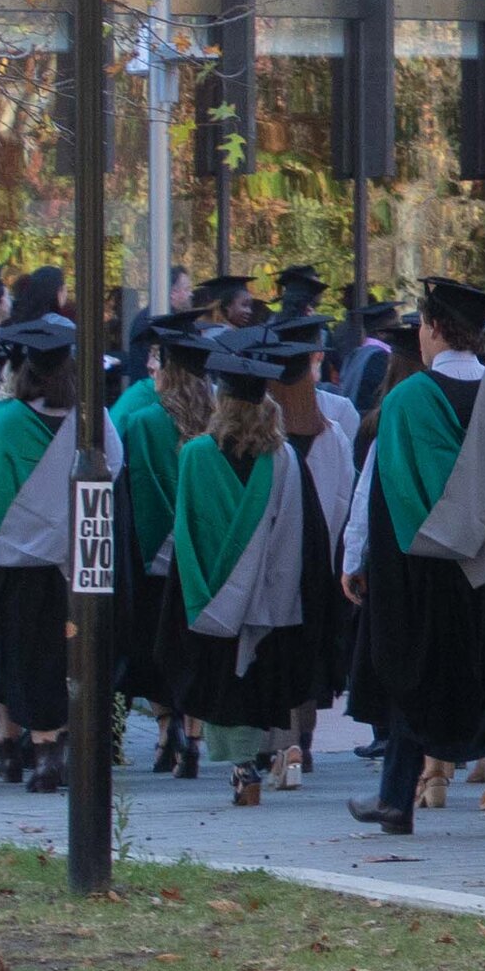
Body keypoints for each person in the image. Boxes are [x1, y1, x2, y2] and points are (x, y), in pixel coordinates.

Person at [340, 279, 485, 836]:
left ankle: (397, 802)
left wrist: (364, 566)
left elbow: (395, 499)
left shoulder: (405, 401)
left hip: (425, 576)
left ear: (431, 329)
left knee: (414, 680)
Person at [173, 323, 354, 806]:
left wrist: (198, 592)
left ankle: (240, 765)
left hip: (212, 595)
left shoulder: (194, 457)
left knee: (225, 683)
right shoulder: (285, 460)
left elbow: (186, 532)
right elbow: (304, 535)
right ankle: (262, 759)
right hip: (270, 601)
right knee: (256, 679)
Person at [0, 317, 116, 796]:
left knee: (24, 656)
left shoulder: (3, 424)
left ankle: (36, 749)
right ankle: (63, 745)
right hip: (80, 564)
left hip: (20, 566)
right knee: (69, 654)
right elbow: (114, 479)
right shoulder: (95, 422)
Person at [112, 313, 218, 779]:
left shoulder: (142, 421)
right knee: (194, 648)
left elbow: (135, 490)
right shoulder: (219, 423)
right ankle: (194, 737)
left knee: (155, 649)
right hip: (202, 554)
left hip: (158, 555)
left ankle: (163, 733)